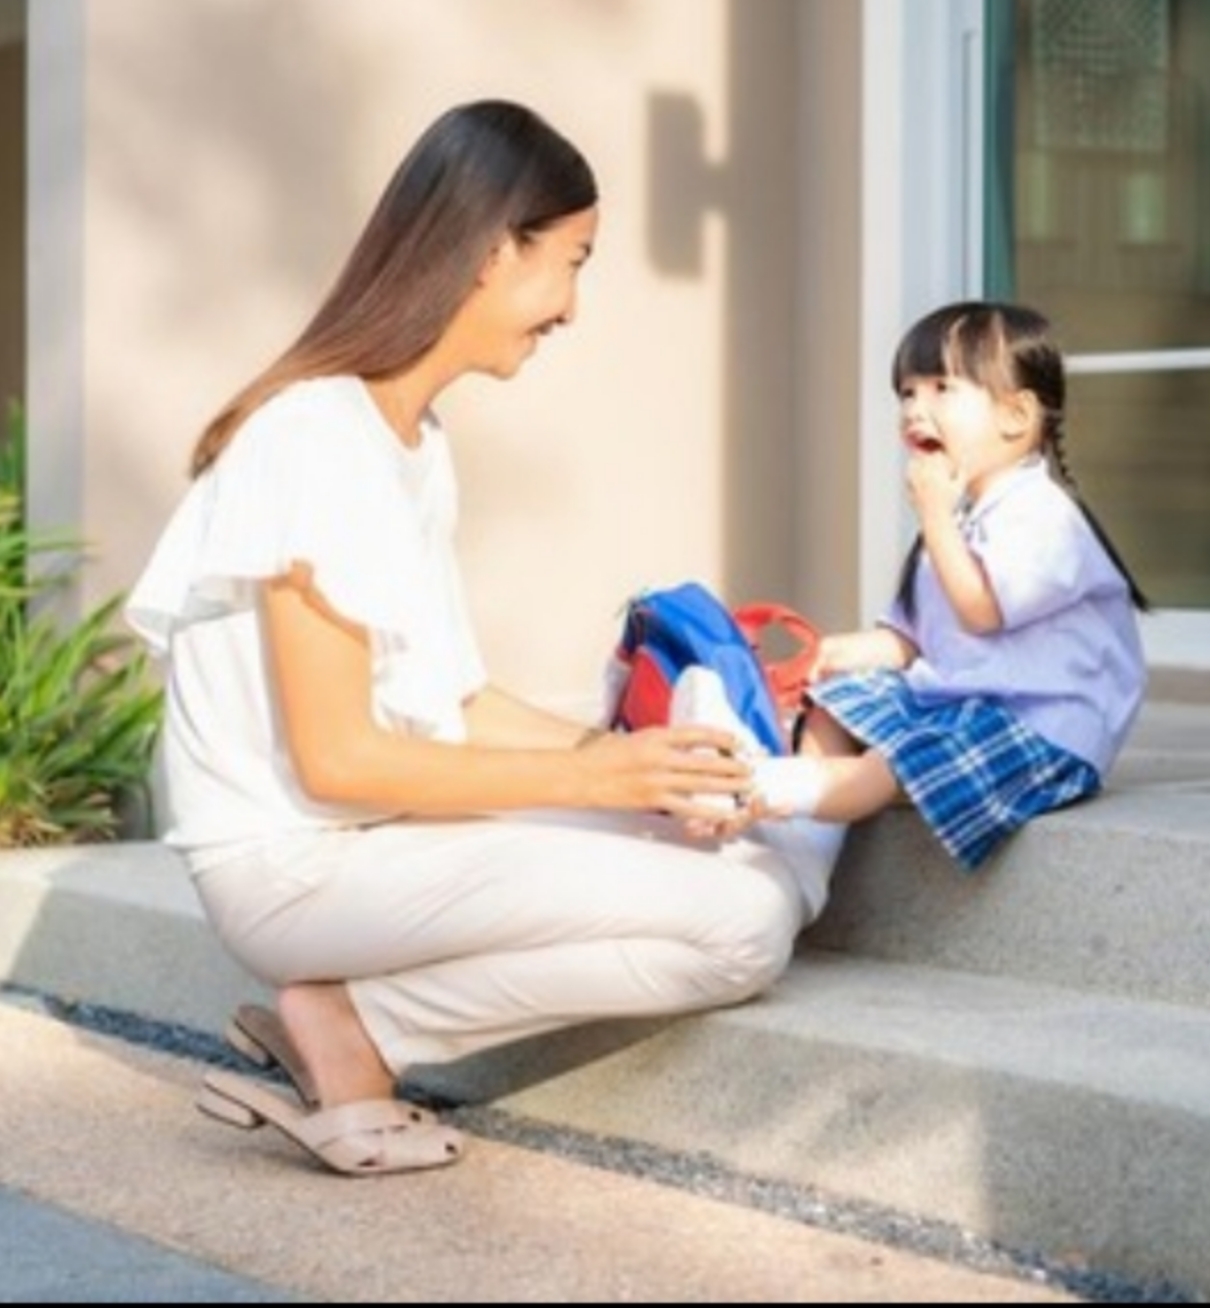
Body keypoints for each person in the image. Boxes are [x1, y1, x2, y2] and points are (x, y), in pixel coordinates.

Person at [124, 99, 831, 1177]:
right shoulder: (312, 439)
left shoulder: (407, 442)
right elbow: (341, 759)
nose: (574, 307)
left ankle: (350, 1021)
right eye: (574, 261)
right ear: (495, 250)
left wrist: (622, 765)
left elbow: (451, 697)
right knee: (740, 923)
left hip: (369, 846)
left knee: (744, 858)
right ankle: (361, 1034)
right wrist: (601, 785)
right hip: (296, 872)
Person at [680, 300, 1149, 873]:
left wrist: (935, 518)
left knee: (890, 761)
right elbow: (913, 639)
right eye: (906, 392)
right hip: (962, 700)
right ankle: (806, 835)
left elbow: (981, 612)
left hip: (1042, 729)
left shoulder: (1042, 515)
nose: (914, 410)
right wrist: (838, 653)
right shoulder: (955, 518)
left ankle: (760, 787)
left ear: (1015, 416)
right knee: (831, 707)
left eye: (941, 388)